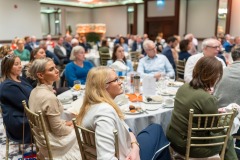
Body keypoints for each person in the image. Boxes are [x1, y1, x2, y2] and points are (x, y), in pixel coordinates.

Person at [76, 66, 171, 160]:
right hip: (125, 155)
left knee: (154, 129)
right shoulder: (104, 112)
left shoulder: (91, 105)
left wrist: (135, 147)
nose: (121, 82)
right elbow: (105, 157)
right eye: (116, 80)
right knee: (157, 131)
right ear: (104, 86)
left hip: (128, 150)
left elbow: (127, 129)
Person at [167, 57, 237, 159]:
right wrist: (231, 115)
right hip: (189, 146)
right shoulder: (207, 98)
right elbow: (216, 129)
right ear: (215, 76)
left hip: (173, 138)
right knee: (228, 138)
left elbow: (194, 109)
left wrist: (214, 111)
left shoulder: (183, 87)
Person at [27, 58, 80, 159]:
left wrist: (67, 123)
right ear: (40, 75)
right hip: (52, 142)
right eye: (51, 69)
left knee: (73, 122)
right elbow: (58, 130)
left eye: (55, 67)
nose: (57, 70)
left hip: (42, 139)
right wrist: (74, 126)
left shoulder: (34, 91)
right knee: (84, 133)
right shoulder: (49, 97)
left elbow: (49, 122)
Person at [0, 54, 32, 143]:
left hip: (26, 114)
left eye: (20, 63)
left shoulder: (21, 79)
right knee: (47, 121)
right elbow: (26, 105)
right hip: (19, 121)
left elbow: (33, 94)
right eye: (16, 64)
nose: (20, 66)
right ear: (8, 67)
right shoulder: (7, 86)